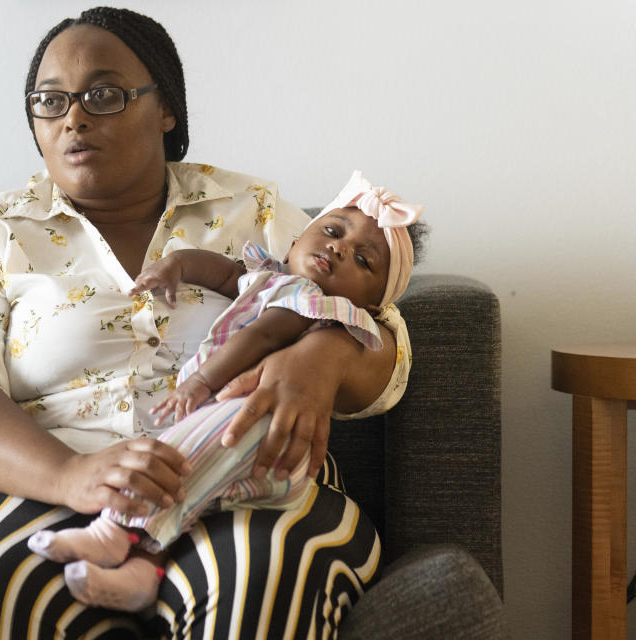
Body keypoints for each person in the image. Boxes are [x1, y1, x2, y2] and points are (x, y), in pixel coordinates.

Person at [0, 7, 414, 638]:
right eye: (50, 101)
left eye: (104, 94)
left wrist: (324, 358)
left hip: (243, 486)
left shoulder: (250, 209)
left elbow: (382, 340)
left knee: (266, 570)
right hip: (40, 484)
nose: (74, 118)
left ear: (166, 107)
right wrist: (72, 476)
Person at [24, 171, 423, 612]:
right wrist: (177, 264)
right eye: (332, 231)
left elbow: (260, 340)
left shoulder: (311, 303)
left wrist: (199, 383)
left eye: (363, 262)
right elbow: (225, 272)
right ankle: (144, 570)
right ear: (293, 243)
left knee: (170, 458)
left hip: (257, 431)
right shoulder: (271, 279)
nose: (340, 248)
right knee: (192, 498)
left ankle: (112, 530)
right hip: (249, 453)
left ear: (372, 304)